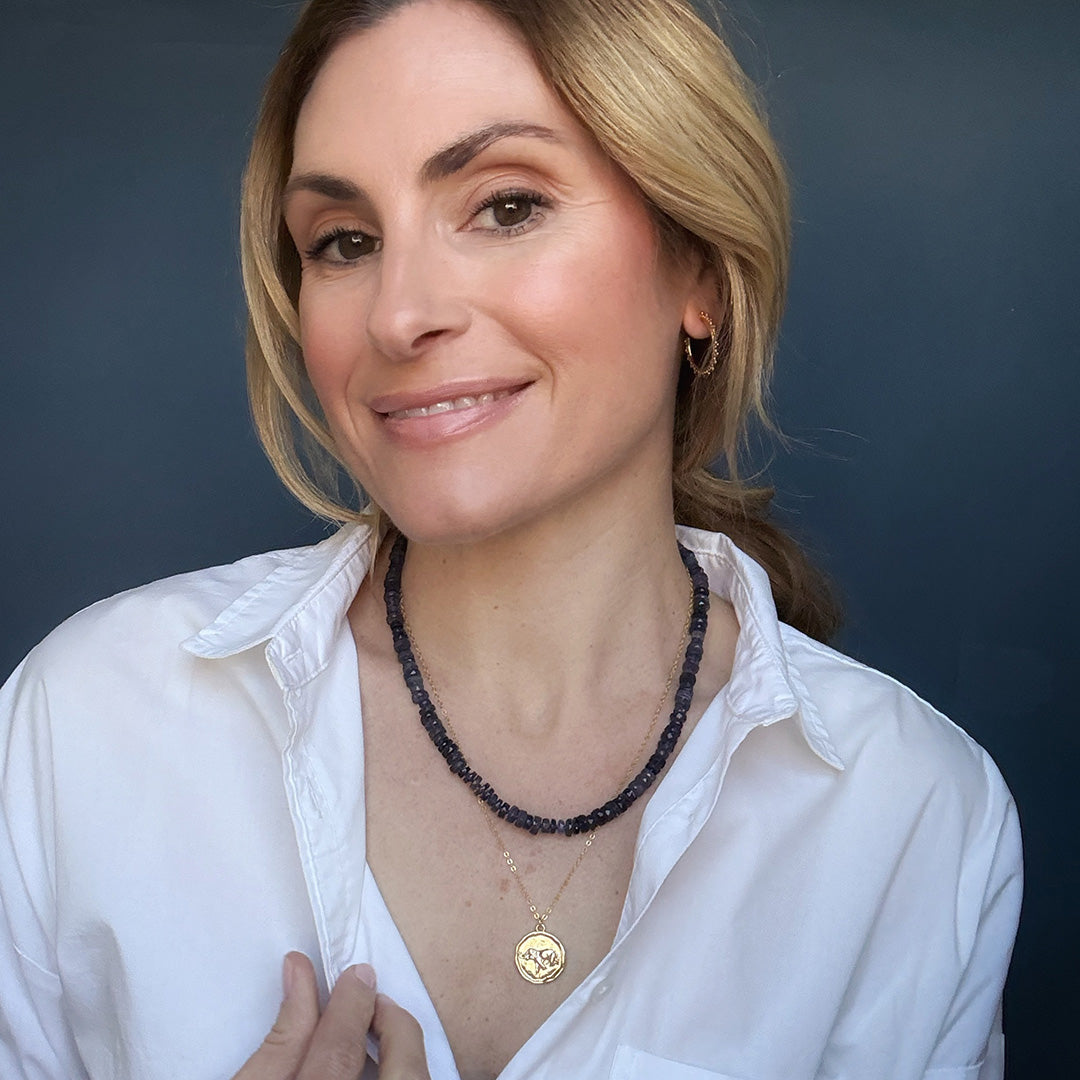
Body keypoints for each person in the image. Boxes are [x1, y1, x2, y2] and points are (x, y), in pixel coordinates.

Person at [0, 0, 1022, 1077]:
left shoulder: (914, 819)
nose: (401, 315)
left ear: (701, 273)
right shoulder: (84, 730)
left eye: (506, 207)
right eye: (345, 241)